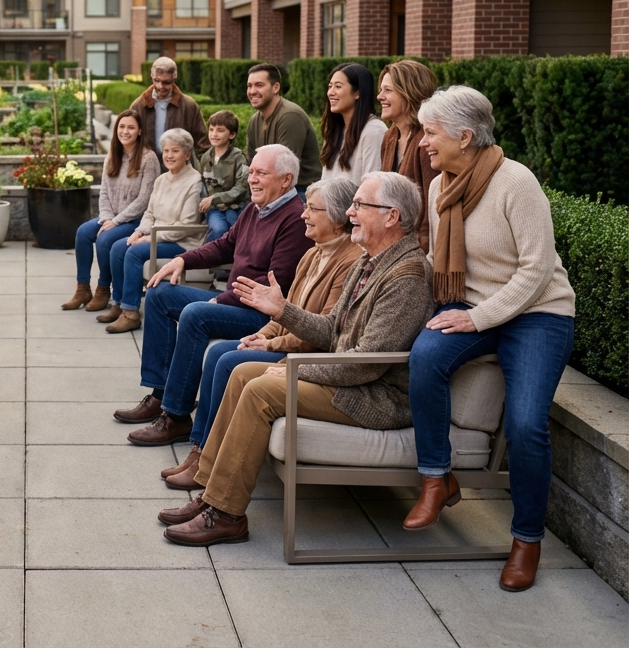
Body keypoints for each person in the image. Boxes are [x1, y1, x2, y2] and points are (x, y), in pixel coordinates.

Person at [158, 171, 434, 549]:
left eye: (360, 205)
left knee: (261, 390)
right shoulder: (371, 260)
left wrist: (294, 366)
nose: (350, 212)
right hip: (348, 379)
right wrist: (283, 310)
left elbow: (368, 363)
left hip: (374, 396)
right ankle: (210, 489)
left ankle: (226, 514)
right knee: (241, 373)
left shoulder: (406, 274)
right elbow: (332, 328)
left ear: (392, 216)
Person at [404, 86, 576, 593]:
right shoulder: (440, 187)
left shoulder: (516, 182)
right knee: (425, 357)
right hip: (471, 304)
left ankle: (526, 540)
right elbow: (440, 261)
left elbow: (538, 269)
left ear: (464, 135)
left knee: (526, 426)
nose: (422, 143)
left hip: (539, 312)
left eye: (430, 133)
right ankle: (438, 478)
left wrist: (479, 319)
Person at [162, 177, 363, 489]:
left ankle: (205, 456)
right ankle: (199, 448)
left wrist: (272, 343)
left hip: (307, 355)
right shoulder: (314, 253)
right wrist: (266, 335)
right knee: (217, 351)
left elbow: (321, 330)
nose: (304, 215)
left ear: (338, 220)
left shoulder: (348, 261)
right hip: (285, 339)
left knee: (226, 358)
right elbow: (284, 308)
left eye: (312, 209)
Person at [115, 144, 313, 446]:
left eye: (261, 173)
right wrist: (183, 259)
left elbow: (273, 284)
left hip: (261, 315)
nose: (252, 179)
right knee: (158, 294)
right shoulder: (255, 209)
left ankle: (177, 416)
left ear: (286, 180)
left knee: (196, 315)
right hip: (235, 302)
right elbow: (224, 246)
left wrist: (220, 300)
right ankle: (160, 394)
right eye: (252, 172)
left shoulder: (293, 218)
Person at [99, 128, 204, 334]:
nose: (169, 156)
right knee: (120, 247)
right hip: (156, 235)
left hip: (182, 241)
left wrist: (150, 238)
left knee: (134, 253)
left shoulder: (194, 181)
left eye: (175, 151)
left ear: (187, 154)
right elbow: (149, 213)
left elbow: (186, 225)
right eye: (166, 151)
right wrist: (140, 232)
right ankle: (120, 304)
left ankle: (131, 314)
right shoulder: (162, 179)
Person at [62, 108, 160, 312]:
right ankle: (82, 289)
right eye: (122, 127)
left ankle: (103, 289)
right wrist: (107, 217)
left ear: (140, 131)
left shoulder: (148, 158)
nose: (125, 131)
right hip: (111, 217)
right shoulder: (112, 156)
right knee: (83, 233)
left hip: (135, 221)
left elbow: (144, 200)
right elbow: (104, 192)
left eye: (131, 127)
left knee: (106, 240)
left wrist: (116, 221)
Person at [378, 59, 437, 252]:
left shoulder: (426, 142)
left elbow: (432, 207)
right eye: (381, 90)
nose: (380, 97)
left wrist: (423, 251)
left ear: (409, 93)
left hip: (419, 250)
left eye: (388, 90)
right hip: (391, 242)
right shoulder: (390, 137)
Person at [244, 64, 321, 194]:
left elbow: (284, 171)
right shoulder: (254, 121)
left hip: (302, 190)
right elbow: (251, 163)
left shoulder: (290, 116)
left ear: (276, 87)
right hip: (268, 185)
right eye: (249, 86)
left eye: (259, 85)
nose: (252, 91)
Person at [130, 56, 209, 158]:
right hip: (147, 167)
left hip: (180, 168)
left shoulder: (189, 105)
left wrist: (206, 169)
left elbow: (202, 142)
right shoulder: (138, 106)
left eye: (166, 82)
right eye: (156, 80)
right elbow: (129, 140)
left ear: (174, 78)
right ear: (151, 76)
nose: (160, 86)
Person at [320, 63, 387, 183]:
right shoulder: (335, 131)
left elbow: (372, 185)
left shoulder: (374, 131)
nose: (330, 92)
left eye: (338, 86)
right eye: (330, 86)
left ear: (357, 93)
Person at [197, 110, 249, 242]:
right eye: (211, 129)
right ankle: (202, 258)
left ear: (232, 135)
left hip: (237, 206)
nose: (214, 134)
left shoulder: (239, 158)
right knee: (219, 229)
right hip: (215, 208)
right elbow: (202, 185)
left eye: (220, 130)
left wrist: (214, 198)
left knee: (234, 228)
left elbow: (241, 188)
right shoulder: (205, 158)